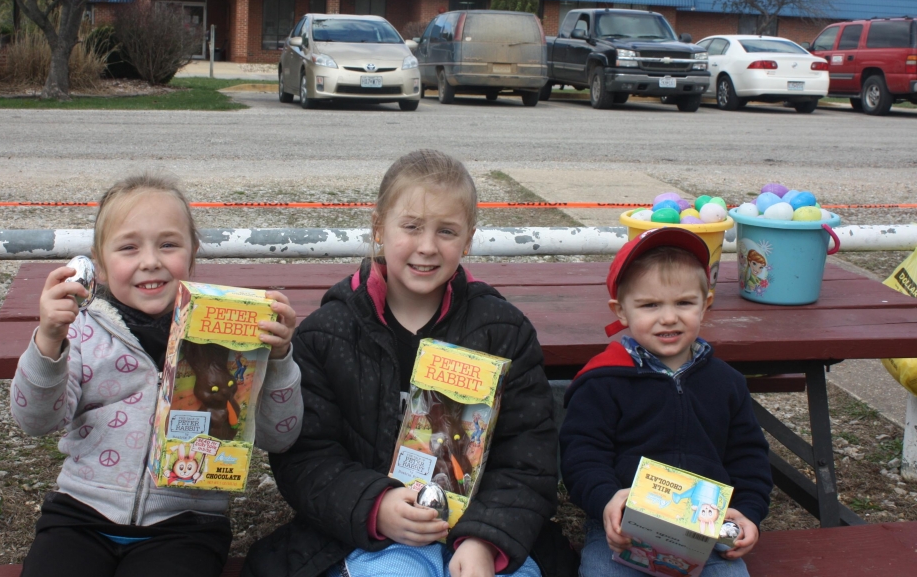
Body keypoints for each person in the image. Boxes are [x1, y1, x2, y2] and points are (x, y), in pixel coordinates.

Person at [245, 150, 576, 577]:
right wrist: (374, 505)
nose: (427, 247)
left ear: (469, 239)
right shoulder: (330, 333)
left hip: (479, 533)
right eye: (412, 227)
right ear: (379, 227)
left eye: (447, 231)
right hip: (372, 539)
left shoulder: (503, 333)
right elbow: (307, 457)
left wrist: (484, 538)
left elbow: (527, 457)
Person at [10, 173, 303, 577]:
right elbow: (35, 420)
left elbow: (280, 436)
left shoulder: (227, 336)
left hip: (186, 525)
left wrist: (280, 357)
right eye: (129, 247)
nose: (150, 260)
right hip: (80, 514)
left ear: (192, 253)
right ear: (101, 263)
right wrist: (48, 342)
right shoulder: (79, 330)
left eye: (168, 244)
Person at [559, 228, 773, 577]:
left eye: (684, 302)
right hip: (623, 529)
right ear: (621, 311)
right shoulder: (603, 381)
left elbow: (749, 457)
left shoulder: (726, 383)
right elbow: (582, 454)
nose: (669, 317)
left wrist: (748, 512)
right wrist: (606, 500)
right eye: (650, 305)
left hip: (705, 530)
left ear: (705, 304)